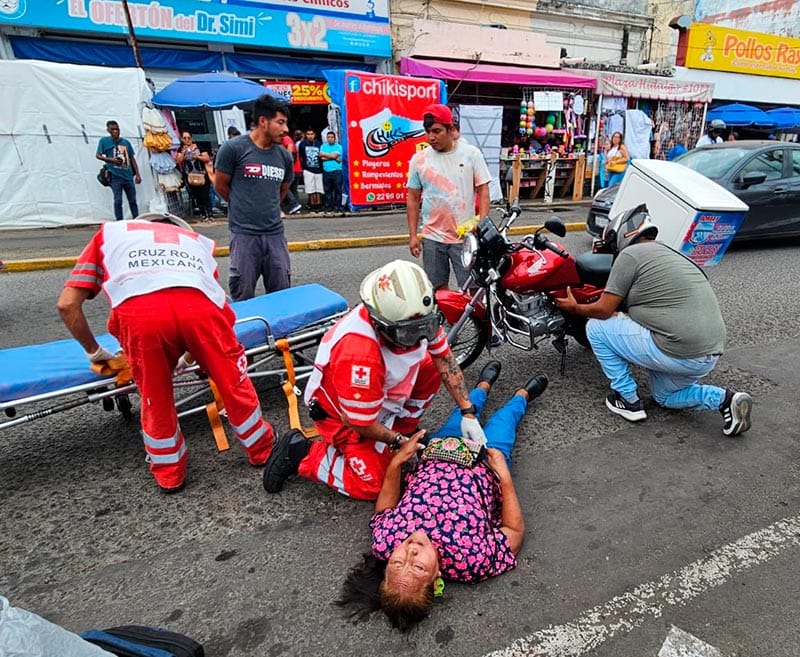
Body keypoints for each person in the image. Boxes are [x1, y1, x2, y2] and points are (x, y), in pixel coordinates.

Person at [55, 213, 276, 492]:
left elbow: (67, 305)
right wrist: (188, 355)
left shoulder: (109, 235)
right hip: (203, 314)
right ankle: (262, 449)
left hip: (142, 318)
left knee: (154, 396)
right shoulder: (196, 242)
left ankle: (169, 474)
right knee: (233, 383)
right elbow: (201, 300)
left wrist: (94, 351)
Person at [336, 363, 549, 631]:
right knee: (506, 420)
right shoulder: (472, 560)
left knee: (466, 409)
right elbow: (514, 532)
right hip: (486, 463)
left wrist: (397, 463)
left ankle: (483, 385)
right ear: (437, 579)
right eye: (418, 568)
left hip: (439, 450)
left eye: (398, 562)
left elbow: (384, 508)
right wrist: (504, 476)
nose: (410, 553)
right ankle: (523, 395)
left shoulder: (386, 542)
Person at [262, 259, 489, 500]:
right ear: (380, 323)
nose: (417, 338)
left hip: (379, 394)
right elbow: (358, 422)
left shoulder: (417, 317)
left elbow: (445, 360)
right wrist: (397, 441)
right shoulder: (359, 351)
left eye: (424, 327)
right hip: (342, 416)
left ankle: (402, 430)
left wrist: (468, 412)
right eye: (408, 333)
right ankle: (303, 453)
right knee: (377, 486)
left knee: (430, 366)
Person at [554, 204, 753, 436]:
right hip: (706, 355)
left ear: (624, 233)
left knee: (597, 327)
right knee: (665, 397)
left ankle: (626, 398)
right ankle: (725, 399)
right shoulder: (672, 253)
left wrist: (574, 307)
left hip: (676, 350)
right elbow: (659, 307)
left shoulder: (630, 254)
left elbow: (604, 310)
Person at [214, 94, 294, 301]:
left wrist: (268, 205)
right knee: (243, 294)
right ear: (262, 121)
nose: (286, 129)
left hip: (275, 234)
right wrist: (244, 204)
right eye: (280, 122)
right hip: (244, 234)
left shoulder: (284, 156)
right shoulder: (233, 149)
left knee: (282, 294)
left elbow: (282, 190)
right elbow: (221, 185)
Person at [406, 104, 491, 291]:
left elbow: (483, 190)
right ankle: (447, 321)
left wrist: (482, 223)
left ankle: (479, 321)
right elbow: (412, 198)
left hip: (465, 237)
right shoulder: (419, 160)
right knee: (438, 289)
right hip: (432, 237)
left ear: (450, 129)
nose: (431, 137)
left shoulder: (471, 154)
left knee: (473, 288)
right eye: (428, 131)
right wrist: (413, 235)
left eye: (436, 131)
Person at [96, 120, 141, 221]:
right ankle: (119, 221)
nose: (115, 132)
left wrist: (137, 174)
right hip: (115, 176)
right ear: (108, 130)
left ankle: (136, 219)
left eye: (117, 129)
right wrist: (110, 160)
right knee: (118, 200)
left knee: (133, 200)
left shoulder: (125, 143)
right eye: (113, 130)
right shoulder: (104, 141)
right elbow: (98, 155)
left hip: (127, 175)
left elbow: (132, 159)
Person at [176, 131, 213, 222]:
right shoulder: (181, 149)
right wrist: (184, 153)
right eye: (185, 138)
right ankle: (203, 214)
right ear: (182, 139)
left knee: (205, 195)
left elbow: (207, 158)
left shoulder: (198, 147)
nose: (187, 140)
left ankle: (210, 214)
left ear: (192, 138)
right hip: (190, 176)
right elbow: (178, 160)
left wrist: (197, 156)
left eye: (189, 138)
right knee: (197, 196)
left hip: (202, 174)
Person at [298, 128, 324, 213]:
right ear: (306, 135)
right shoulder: (302, 144)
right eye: (308, 134)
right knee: (310, 189)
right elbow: (301, 157)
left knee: (319, 189)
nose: (310, 136)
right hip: (308, 169)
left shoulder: (319, 144)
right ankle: (312, 205)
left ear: (314, 135)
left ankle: (318, 204)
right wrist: (302, 168)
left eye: (311, 134)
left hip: (318, 169)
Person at [320, 130, 344, 216]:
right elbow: (322, 158)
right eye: (328, 137)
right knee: (328, 191)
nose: (330, 139)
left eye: (332, 137)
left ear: (335, 138)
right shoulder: (323, 146)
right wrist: (333, 157)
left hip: (337, 171)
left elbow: (333, 156)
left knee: (338, 190)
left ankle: (338, 207)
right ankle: (330, 207)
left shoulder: (339, 147)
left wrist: (327, 156)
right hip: (326, 171)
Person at [280, 132, 303, 215]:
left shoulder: (286, 138)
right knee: (293, 189)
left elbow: (290, 148)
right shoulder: (287, 139)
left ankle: (294, 204)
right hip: (296, 169)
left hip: (292, 169)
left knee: (284, 187)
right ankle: (296, 208)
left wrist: (286, 162)